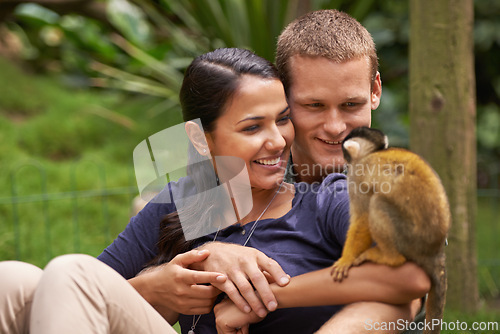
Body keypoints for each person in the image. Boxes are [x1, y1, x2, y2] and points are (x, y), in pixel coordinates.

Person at [0, 47, 428, 334]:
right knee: (11, 280)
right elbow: (85, 298)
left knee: (69, 271)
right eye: (252, 127)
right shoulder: (189, 204)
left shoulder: (322, 202)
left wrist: (263, 297)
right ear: (201, 138)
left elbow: (408, 275)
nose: (278, 140)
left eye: (281, 118)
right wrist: (158, 287)